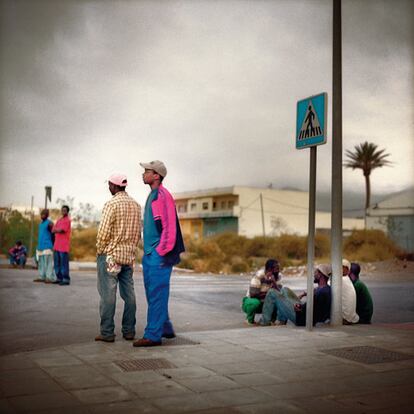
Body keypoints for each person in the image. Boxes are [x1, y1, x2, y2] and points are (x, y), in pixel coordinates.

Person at [134, 160, 185, 347]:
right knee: (153, 292)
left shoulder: (163, 196)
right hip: (150, 254)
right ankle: (164, 327)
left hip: (158, 254)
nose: (143, 174)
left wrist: (161, 251)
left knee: (156, 293)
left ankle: (153, 335)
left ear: (156, 175)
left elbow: (169, 228)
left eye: (147, 171)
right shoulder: (152, 195)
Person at [95, 174, 142, 343]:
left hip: (111, 257)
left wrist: (100, 251)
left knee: (108, 294)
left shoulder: (111, 204)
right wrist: (131, 250)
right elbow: (138, 233)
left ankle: (107, 333)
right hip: (128, 257)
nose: (109, 188)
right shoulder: (136, 206)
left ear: (114, 186)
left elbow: (103, 233)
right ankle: (129, 331)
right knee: (129, 294)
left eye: (109, 185)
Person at [261, 264, 332, 326]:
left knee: (271, 292)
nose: (314, 274)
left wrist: (299, 307)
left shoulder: (321, 292)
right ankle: (281, 320)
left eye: (316, 273)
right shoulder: (324, 288)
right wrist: (303, 297)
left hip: (301, 319)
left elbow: (311, 308)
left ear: (320, 275)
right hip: (303, 313)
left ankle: (264, 322)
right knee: (284, 290)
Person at [242, 259, 282, 325]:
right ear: (269, 269)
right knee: (255, 303)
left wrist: (274, 282)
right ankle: (249, 320)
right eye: (276, 269)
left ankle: (271, 320)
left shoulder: (278, 276)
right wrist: (269, 294)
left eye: (278, 268)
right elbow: (253, 294)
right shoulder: (259, 275)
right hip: (253, 302)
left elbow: (279, 293)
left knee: (278, 302)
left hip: (266, 303)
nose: (278, 270)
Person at [33, 209, 57, 283]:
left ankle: (49, 278)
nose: (42, 215)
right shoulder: (40, 224)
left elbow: (53, 235)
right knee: (41, 263)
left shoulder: (50, 223)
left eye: (44, 214)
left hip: (47, 245)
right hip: (40, 246)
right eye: (41, 214)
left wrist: (53, 245)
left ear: (47, 215)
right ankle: (41, 276)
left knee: (48, 263)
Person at [52, 205, 72, 286]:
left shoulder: (68, 220)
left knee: (64, 263)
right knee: (57, 263)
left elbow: (62, 230)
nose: (63, 211)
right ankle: (59, 278)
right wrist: (57, 230)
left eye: (65, 210)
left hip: (63, 246)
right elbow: (53, 230)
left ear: (67, 211)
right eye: (62, 210)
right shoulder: (59, 220)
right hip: (56, 245)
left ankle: (66, 279)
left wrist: (57, 230)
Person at [342, 259, 359, 324]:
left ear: (348, 270)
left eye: (343, 268)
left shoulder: (341, 280)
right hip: (351, 318)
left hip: (344, 318)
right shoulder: (347, 280)